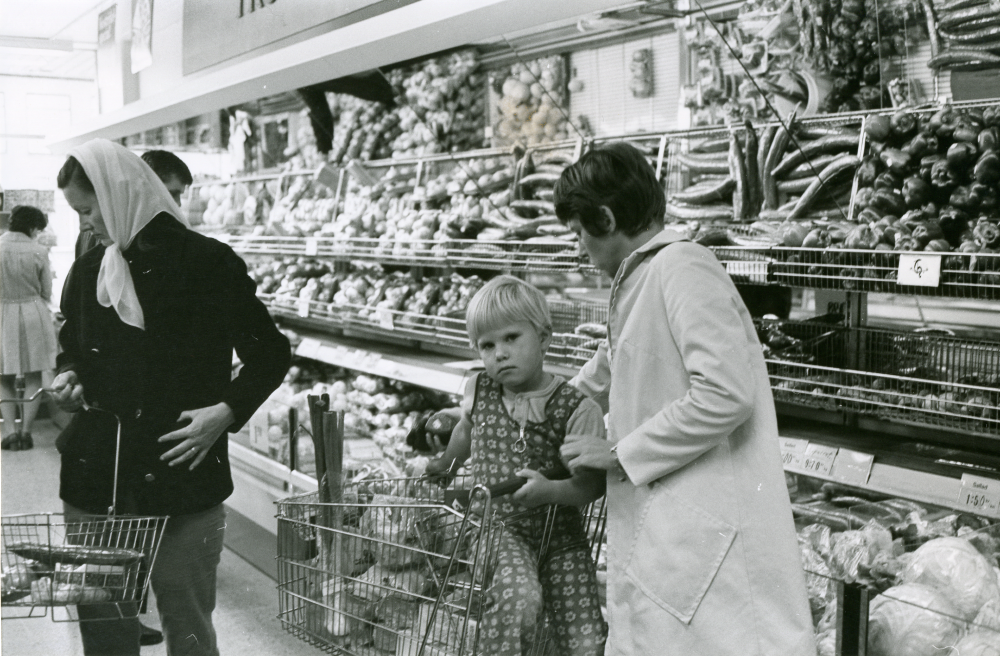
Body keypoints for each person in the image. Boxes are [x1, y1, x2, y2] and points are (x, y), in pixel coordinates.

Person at [554, 143, 816, 655]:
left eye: (579, 232)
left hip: (704, 531)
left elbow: (726, 394)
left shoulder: (683, 268)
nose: (578, 248)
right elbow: (606, 370)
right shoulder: (642, 277)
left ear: (606, 218)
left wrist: (620, 452)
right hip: (675, 536)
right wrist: (495, 406)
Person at [52, 139, 291, 656]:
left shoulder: (208, 264)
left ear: (117, 195)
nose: (86, 224)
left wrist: (225, 412)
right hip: (99, 475)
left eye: (88, 210)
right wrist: (71, 376)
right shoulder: (89, 270)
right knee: (104, 624)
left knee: (186, 623)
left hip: (182, 469)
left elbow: (270, 352)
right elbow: (72, 349)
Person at [426, 275, 607, 656]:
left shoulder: (578, 409)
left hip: (561, 537)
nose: (499, 353)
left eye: (511, 338)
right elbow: (466, 429)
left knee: (586, 636)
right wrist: (445, 464)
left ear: (543, 338)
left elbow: (591, 486)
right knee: (518, 598)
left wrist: (551, 491)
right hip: (497, 528)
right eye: (486, 345)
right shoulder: (480, 389)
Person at [0, 205, 58, 450]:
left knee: (3, 375)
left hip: (1, 313)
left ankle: (10, 432)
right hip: (33, 313)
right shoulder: (39, 251)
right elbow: (46, 290)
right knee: (34, 373)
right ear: (33, 227)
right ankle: (26, 433)